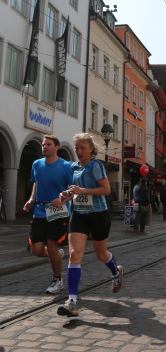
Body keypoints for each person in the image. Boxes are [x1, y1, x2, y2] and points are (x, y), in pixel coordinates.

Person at [57, 133, 124, 317]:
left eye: (83, 148)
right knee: (74, 254)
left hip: (98, 215)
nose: (79, 151)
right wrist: (66, 195)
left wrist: (82, 190)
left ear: (91, 149)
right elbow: (74, 192)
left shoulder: (96, 166)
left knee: (101, 254)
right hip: (79, 215)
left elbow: (106, 190)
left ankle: (116, 271)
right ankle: (72, 302)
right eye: (77, 148)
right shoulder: (74, 167)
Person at [23, 135, 73, 294]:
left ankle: (57, 280)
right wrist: (32, 199)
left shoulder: (66, 166)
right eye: (44, 145)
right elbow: (36, 183)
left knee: (52, 245)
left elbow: (73, 190)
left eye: (48, 144)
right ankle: (56, 254)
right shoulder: (36, 164)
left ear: (56, 147)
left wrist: (63, 199)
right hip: (40, 211)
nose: (45, 147)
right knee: (36, 250)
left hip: (59, 212)